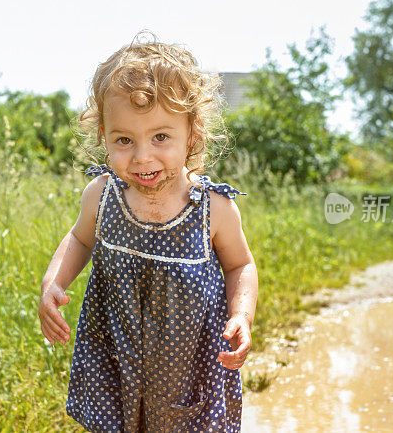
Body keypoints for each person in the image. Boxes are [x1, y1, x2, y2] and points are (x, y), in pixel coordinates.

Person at [38, 31, 259, 432]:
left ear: (191, 134)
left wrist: (242, 314)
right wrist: (53, 283)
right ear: (104, 136)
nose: (142, 157)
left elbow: (240, 265)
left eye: (160, 136)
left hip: (188, 362)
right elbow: (79, 239)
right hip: (115, 355)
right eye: (124, 139)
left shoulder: (213, 208)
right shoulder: (102, 195)